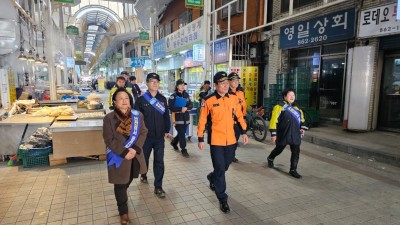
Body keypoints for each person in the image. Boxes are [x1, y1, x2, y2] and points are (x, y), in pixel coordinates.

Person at [197, 71, 249, 213]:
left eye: (227, 83)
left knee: (225, 166)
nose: (226, 86)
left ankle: (211, 176)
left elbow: (239, 115)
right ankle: (222, 199)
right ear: (215, 85)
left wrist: (244, 131)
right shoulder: (208, 100)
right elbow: (202, 120)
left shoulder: (233, 98)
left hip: (231, 139)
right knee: (220, 169)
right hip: (216, 141)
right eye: (222, 83)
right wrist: (200, 138)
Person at [103, 88, 148, 225]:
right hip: (118, 157)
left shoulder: (137, 115)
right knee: (120, 185)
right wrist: (124, 152)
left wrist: (134, 149)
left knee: (128, 179)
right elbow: (109, 139)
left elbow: (143, 132)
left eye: (126, 98)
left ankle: (122, 195)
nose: (124, 101)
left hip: (134, 155)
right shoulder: (109, 118)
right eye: (120, 98)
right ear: (115, 102)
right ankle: (123, 212)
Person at [134, 72, 171, 198]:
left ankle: (158, 186)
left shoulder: (162, 99)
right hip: (146, 138)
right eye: (152, 81)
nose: (154, 83)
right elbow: (136, 119)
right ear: (147, 83)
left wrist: (167, 130)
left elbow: (166, 115)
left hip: (159, 137)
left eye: (157, 81)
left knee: (159, 161)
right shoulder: (141, 100)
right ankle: (144, 174)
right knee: (144, 158)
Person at [267, 88, 308, 179]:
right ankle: (270, 157)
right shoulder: (279, 107)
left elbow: (302, 121)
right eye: (289, 95)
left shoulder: (298, 109)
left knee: (296, 152)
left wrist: (303, 128)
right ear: (285, 97)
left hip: (295, 134)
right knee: (279, 149)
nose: (292, 97)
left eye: (293, 95)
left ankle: (293, 170)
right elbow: (273, 121)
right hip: (283, 133)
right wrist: (273, 134)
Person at [168, 79, 193, 157]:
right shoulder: (173, 96)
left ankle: (174, 142)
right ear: (177, 86)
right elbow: (171, 107)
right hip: (178, 118)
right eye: (181, 85)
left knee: (181, 133)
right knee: (182, 133)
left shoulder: (186, 95)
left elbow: (191, 105)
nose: (183, 86)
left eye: (184, 85)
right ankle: (183, 149)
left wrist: (186, 108)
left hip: (186, 118)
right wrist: (180, 109)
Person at [228, 72, 247, 163]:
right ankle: (228, 155)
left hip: (240, 120)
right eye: (234, 80)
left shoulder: (240, 92)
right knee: (230, 140)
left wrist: (244, 116)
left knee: (235, 140)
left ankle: (232, 156)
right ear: (229, 81)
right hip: (230, 121)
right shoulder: (226, 93)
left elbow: (243, 105)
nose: (236, 82)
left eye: (237, 80)